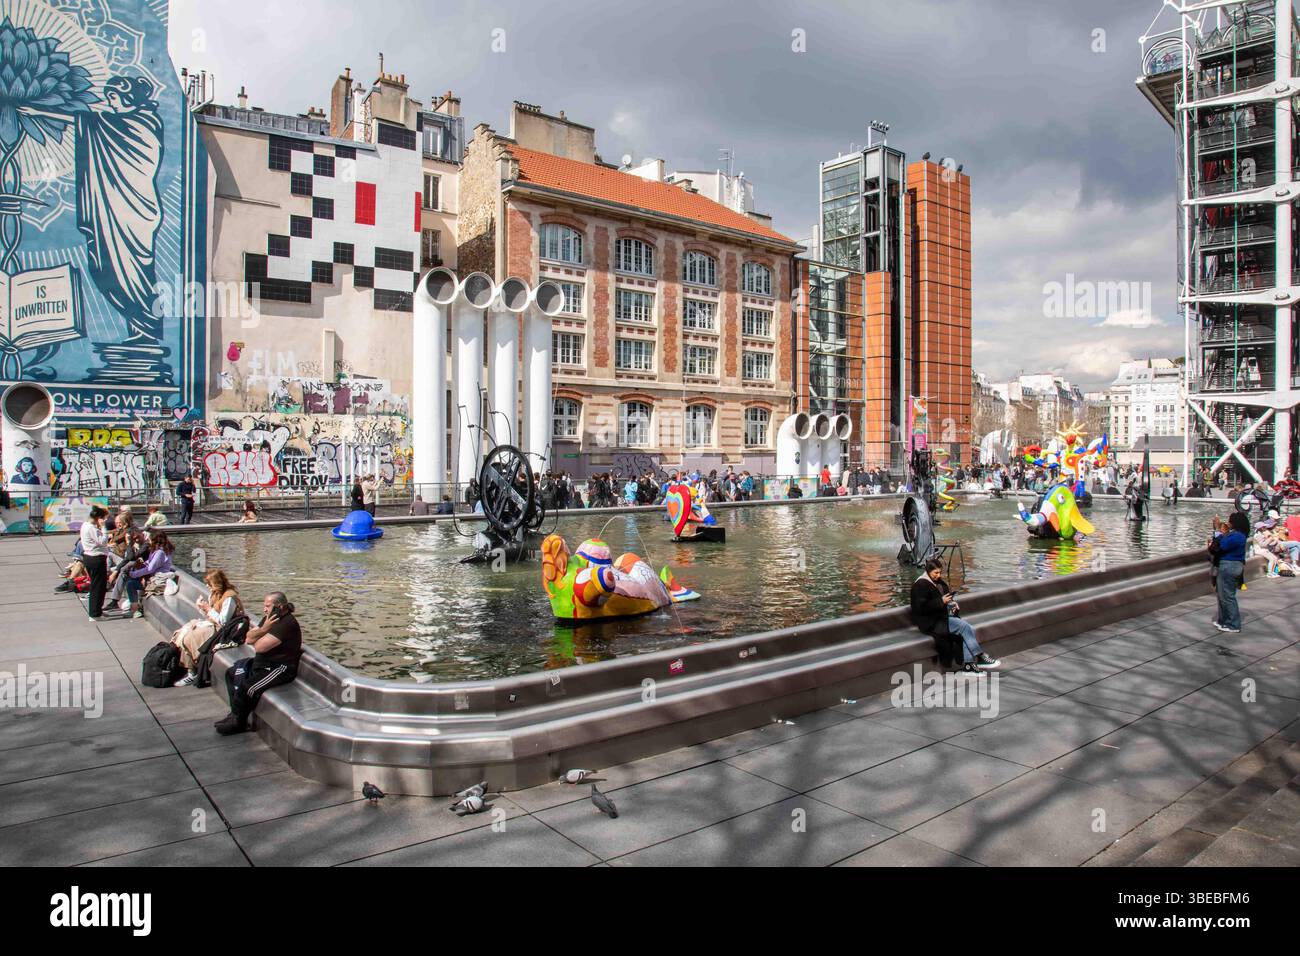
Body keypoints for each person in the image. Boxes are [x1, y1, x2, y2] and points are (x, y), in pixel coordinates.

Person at [214, 592, 303, 735]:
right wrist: (263, 629)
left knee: (247, 687)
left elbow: (259, 647)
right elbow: (248, 639)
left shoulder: (287, 623)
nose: (264, 609)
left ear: (279, 606)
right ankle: (234, 714)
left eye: (267, 606)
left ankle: (239, 722)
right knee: (232, 673)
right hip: (261, 663)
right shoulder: (269, 619)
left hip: (279, 668)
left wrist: (262, 632)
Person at [910, 558, 1000, 672]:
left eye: (940, 572)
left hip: (942, 617)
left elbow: (943, 599)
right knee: (964, 627)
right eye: (935, 573)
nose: (938, 575)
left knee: (969, 629)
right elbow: (920, 608)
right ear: (928, 571)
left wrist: (951, 604)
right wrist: (941, 602)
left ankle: (969, 666)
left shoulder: (938, 582)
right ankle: (979, 656)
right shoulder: (920, 585)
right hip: (931, 622)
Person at [173, 570, 244, 686]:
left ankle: (193, 672)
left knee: (190, 637)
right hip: (211, 624)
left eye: (209, 584)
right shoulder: (214, 594)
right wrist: (201, 607)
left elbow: (223, 622)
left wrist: (208, 609)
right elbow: (209, 615)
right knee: (181, 633)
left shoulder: (229, 597)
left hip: (223, 630)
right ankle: (190, 669)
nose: (207, 586)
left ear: (216, 583)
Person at [1208, 512, 1249, 633]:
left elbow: (1222, 545)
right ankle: (1223, 621)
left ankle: (1233, 624)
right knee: (1222, 594)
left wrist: (1219, 532)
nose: (1228, 523)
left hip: (1229, 566)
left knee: (1227, 595)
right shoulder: (1237, 535)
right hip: (1230, 565)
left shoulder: (1237, 536)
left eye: (1230, 521)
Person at [121, 530, 174, 618]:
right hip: (152, 579)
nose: (148, 541)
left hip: (156, 581)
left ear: (154, 540)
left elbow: (150, 569)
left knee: (131, 584)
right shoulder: (157, 551)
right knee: (131, 580)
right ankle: (135, 607)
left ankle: (135, 610)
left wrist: (133, 574)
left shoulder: (160, 553)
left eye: (149, 539)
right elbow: (149, 564)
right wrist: (143, 563)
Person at [80, 505, 112, 620]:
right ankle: (94, 614)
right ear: (99, 518)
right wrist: (104, 527)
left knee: (99, 585)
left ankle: (97, 610)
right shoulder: (91, 528)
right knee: (97, 586)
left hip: (90, 557)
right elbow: (103, 541)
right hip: (96, 558)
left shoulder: (85, 525)